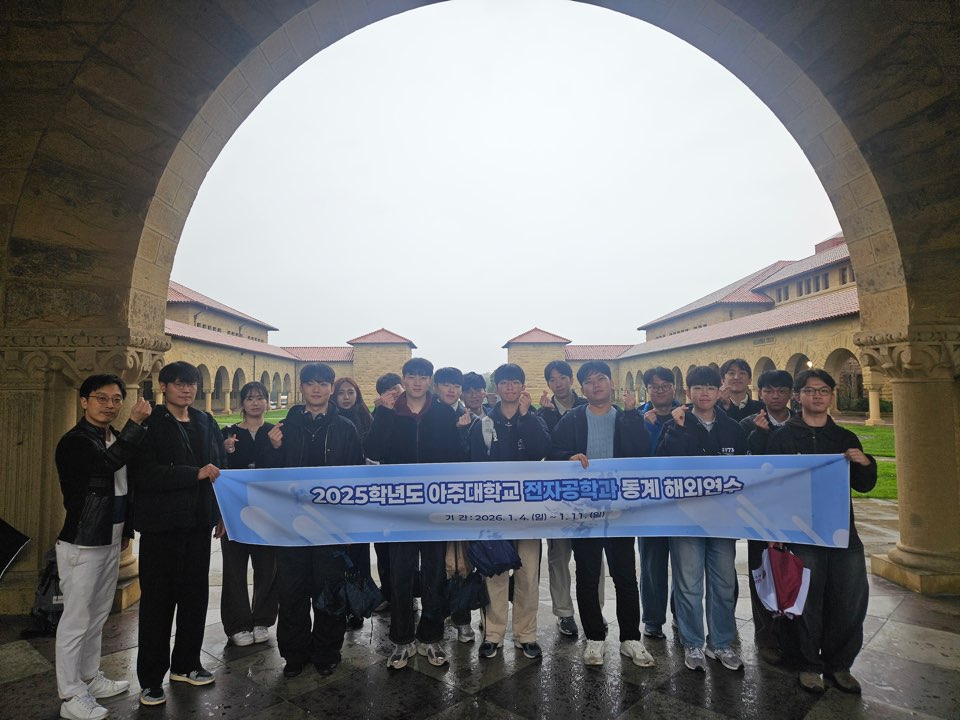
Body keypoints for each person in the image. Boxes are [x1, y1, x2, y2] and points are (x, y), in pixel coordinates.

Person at [767, 369, 877, 694]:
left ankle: (839, 664)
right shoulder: (783, 438)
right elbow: (772, 486)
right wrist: (776, 529)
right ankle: (808, 664)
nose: (817, 396)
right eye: (810, 390)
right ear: (798, 396)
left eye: (823, 390)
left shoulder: (844, 437)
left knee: (848, 598)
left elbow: (863, 485)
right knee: (805, 601)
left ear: (831, 395)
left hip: (841, 530)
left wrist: (865, 463)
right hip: (801, 532)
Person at [54, 374, 151, 720]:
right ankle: (70, 694)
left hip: (111, 537)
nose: (109, 405)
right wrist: (135, 425)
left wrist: (126, 530)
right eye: (101, 398)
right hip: (83, 540)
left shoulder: (112, 436)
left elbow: (124, 487)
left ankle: (89, 677)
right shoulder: (75, 441)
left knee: (97, 615)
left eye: (116, 400)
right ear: (84, 401)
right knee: (76, 619)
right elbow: (105, 465)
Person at [548, 361, 654, 668]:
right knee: (587, 575)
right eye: (590, 381)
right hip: (583, 512)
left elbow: (640, 453)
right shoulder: (572, 419)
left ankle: (630, 638)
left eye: (601, 379)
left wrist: (632, 415)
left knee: (625, 575)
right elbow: (552, 452)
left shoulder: (625, 417)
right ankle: (594, 638)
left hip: (619, 511)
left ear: (611, 383)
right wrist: (568, 457)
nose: (596, 385)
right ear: (582, 388)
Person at [129, 361, 223, 706]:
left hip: (198, 523)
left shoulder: (205, 421)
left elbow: (220, 469)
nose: (186, 390)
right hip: (162, 527)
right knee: (158, 602)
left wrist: (222, 513)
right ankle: (151, 679)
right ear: (163, 387)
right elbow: (144, 474)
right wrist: (192, 474)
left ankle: (186, 664)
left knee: (195, 598)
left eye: (191, 384)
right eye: (179, 384)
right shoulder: (150, 423)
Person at [365, 357, 464, 670]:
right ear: (404, 379)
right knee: (401, 573)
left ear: (429, 381)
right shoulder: (389, 411)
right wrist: (383, 413)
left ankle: (430, 637)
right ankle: (402, 638)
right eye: (412, 376)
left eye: (423, 377)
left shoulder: (443, 413)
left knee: (434, 573)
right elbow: (373, 451)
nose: (417, 382)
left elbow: (456, 458)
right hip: (400, 507)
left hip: (435, 506)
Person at [267, 363, 365, 678]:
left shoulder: (345, 428)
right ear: (302, 387)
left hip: (330, 525)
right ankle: (294, 654)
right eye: (311, 383)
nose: (317, 389)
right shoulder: (285, 428)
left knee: (329, 590)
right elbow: (268, 478)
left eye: (323, 383)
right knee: (292, 591)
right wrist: (274, 449)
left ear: (331, 389)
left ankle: (326, 652)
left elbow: (355, 477)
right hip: (291, 524)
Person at [657, 365, 748, 673]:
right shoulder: (675, 424)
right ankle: (692, 641)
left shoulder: (733, 428)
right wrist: (679, 429)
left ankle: (720, 643)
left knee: (723, 583)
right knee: (688, 583)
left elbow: (747, 473)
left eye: (710, 387)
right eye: (698, 388)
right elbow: (662, 465)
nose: (704, 393)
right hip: (685, 518)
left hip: (723, 520)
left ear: (720, 390)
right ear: (688, 392)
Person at [468, 364, 550, 660]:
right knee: (495, 573)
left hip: (528, 511)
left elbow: (542, 450)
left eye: (515, 382)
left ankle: (526, 634)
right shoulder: (484, 423)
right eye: (504, 383)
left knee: (528, 574)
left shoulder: (534, 418)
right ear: (497, 388)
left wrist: (526, 417)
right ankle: (493, 634)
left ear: (522, 386)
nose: (510, 387)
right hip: (494, 511)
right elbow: (474, 463)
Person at [740, 369, 796, 665]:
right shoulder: (748, 423)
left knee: (796, 572)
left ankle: (794, 634)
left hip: (796, 512)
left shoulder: (801, 423)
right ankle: (767, 637)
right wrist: (758, 435)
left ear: (790, 394)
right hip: (759, 513)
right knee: (761, 573)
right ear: (760, 393)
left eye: (782, 391)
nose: (775, 396)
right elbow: (743, 466)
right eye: (769, 390)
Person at [220, 381, 279, 648]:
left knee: (267, 565)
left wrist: (277, 447)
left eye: (260, 398)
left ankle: (262, 619)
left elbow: (283, 469)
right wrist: (226, 451)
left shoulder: (276, 432)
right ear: (242, 403)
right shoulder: (228, 434)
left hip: (268, 510)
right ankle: (237, 624)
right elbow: (219, 472)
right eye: (250, 398)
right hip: (235, 509)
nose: (256, 403)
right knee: (234, 566)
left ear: (267, 401)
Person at [537, 360, 590, 637]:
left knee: (591, 557)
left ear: (571, 380)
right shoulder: (541, 413)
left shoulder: (588, 406)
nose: (558, 384)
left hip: (589, 495)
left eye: (562, 378)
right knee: (558, 555)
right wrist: (546, 417)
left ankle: (593, 611)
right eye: (552, 379)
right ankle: (564, 612)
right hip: (557, 495)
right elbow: (544, 449)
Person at [637, 367, 679, 640]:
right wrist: (646, 428)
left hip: (682, 503)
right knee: (652, 564)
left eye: (665, 385)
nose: (660, 390)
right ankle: (653, 619)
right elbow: (634, 456)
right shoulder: (637, 418)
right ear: (647, 390)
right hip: (649, 504)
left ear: (674, 387)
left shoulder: (687, 415)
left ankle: (681, 614)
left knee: (685, 564)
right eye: (654, 386)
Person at [332, 376, 377, 629]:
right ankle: (337, 603)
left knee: (358, 554)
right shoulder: (330, 421)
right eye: (341, 393)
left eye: (351, 392)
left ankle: (357, 606)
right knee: (337, 554)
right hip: (334, 498)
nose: (346, 397)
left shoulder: (366, 420)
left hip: (360, 498)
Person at [370, 372, 405, 609]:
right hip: (384, 492)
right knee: (383, 547)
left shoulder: (415, 413)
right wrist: (383, 412)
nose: (394, 393)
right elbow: (373, 449)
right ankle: (388, 593)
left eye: (396, 388)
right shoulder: (379, 415)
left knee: (408, 549)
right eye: (388, 391)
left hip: (411, 493)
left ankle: (409, 594)